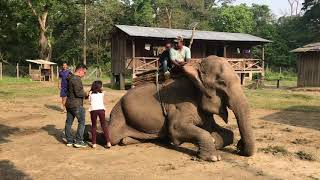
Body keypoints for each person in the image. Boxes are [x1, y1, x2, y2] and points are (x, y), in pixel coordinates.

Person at [65, 64, 88, 148]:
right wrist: (86, 94)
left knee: (68, 123)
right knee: (81, 122)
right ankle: (79, 141)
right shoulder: (76, 79)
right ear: (80, 70)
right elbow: (78, 93)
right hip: (76, 105)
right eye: (84, 72)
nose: (84, 74)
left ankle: (69, 140)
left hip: (69, 103)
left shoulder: (70, 77)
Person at [88, 80, 111, 149]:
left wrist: (90, 92)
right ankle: (108, 142)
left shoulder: (91, 94)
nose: (102, 87)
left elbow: (89, 101)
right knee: (104, 125)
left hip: (93, 110)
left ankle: (94, 143)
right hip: (101, 110)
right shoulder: (102, 93)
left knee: (94, 126)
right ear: (99, 87)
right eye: (102, 86)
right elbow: (103, 91)